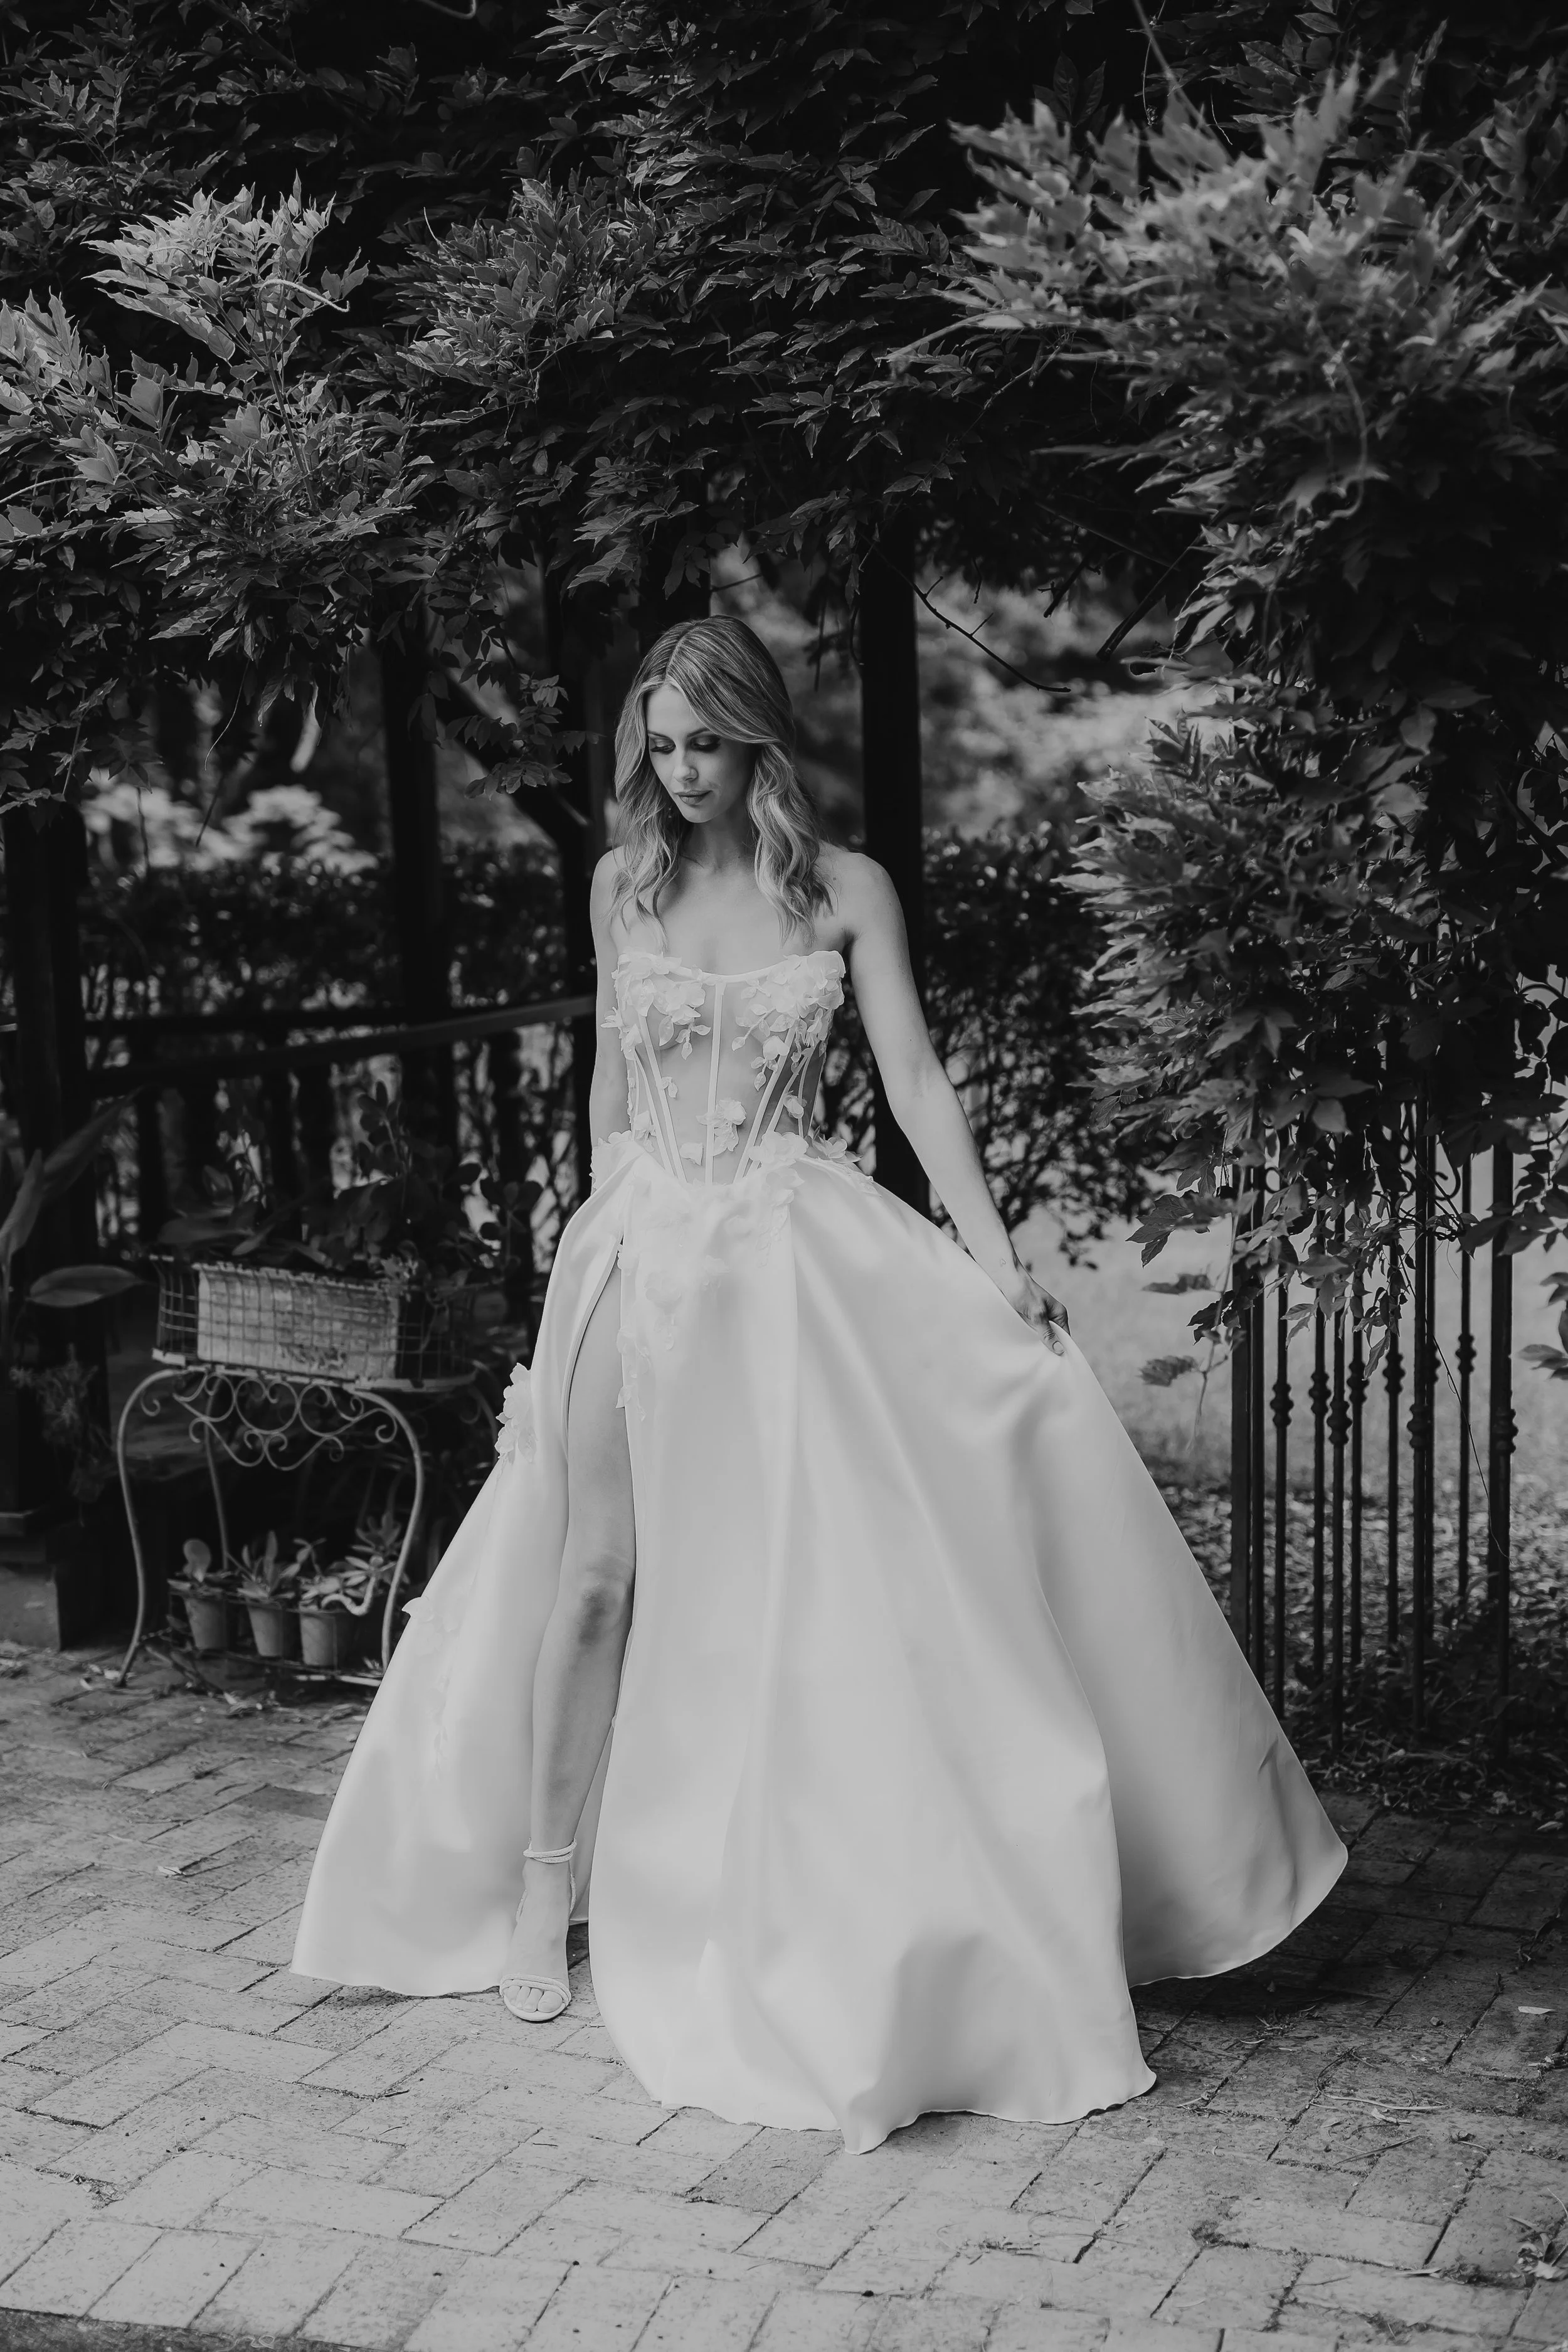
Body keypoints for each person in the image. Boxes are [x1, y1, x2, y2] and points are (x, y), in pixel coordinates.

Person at [294, 615, 1344, 2156]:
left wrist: (992, 1258)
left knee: (798, 1591)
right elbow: (604, 1088)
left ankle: (788, 1888)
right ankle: (538, 1887)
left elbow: (912, 1082)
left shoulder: (844, 891)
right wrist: (590, 1254)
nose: (680, 772)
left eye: (704, 745)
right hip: (639, 1259)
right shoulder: (620, 884)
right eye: (658, 747)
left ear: (757, 741)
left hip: (786, 1264)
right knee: (592, 1580)